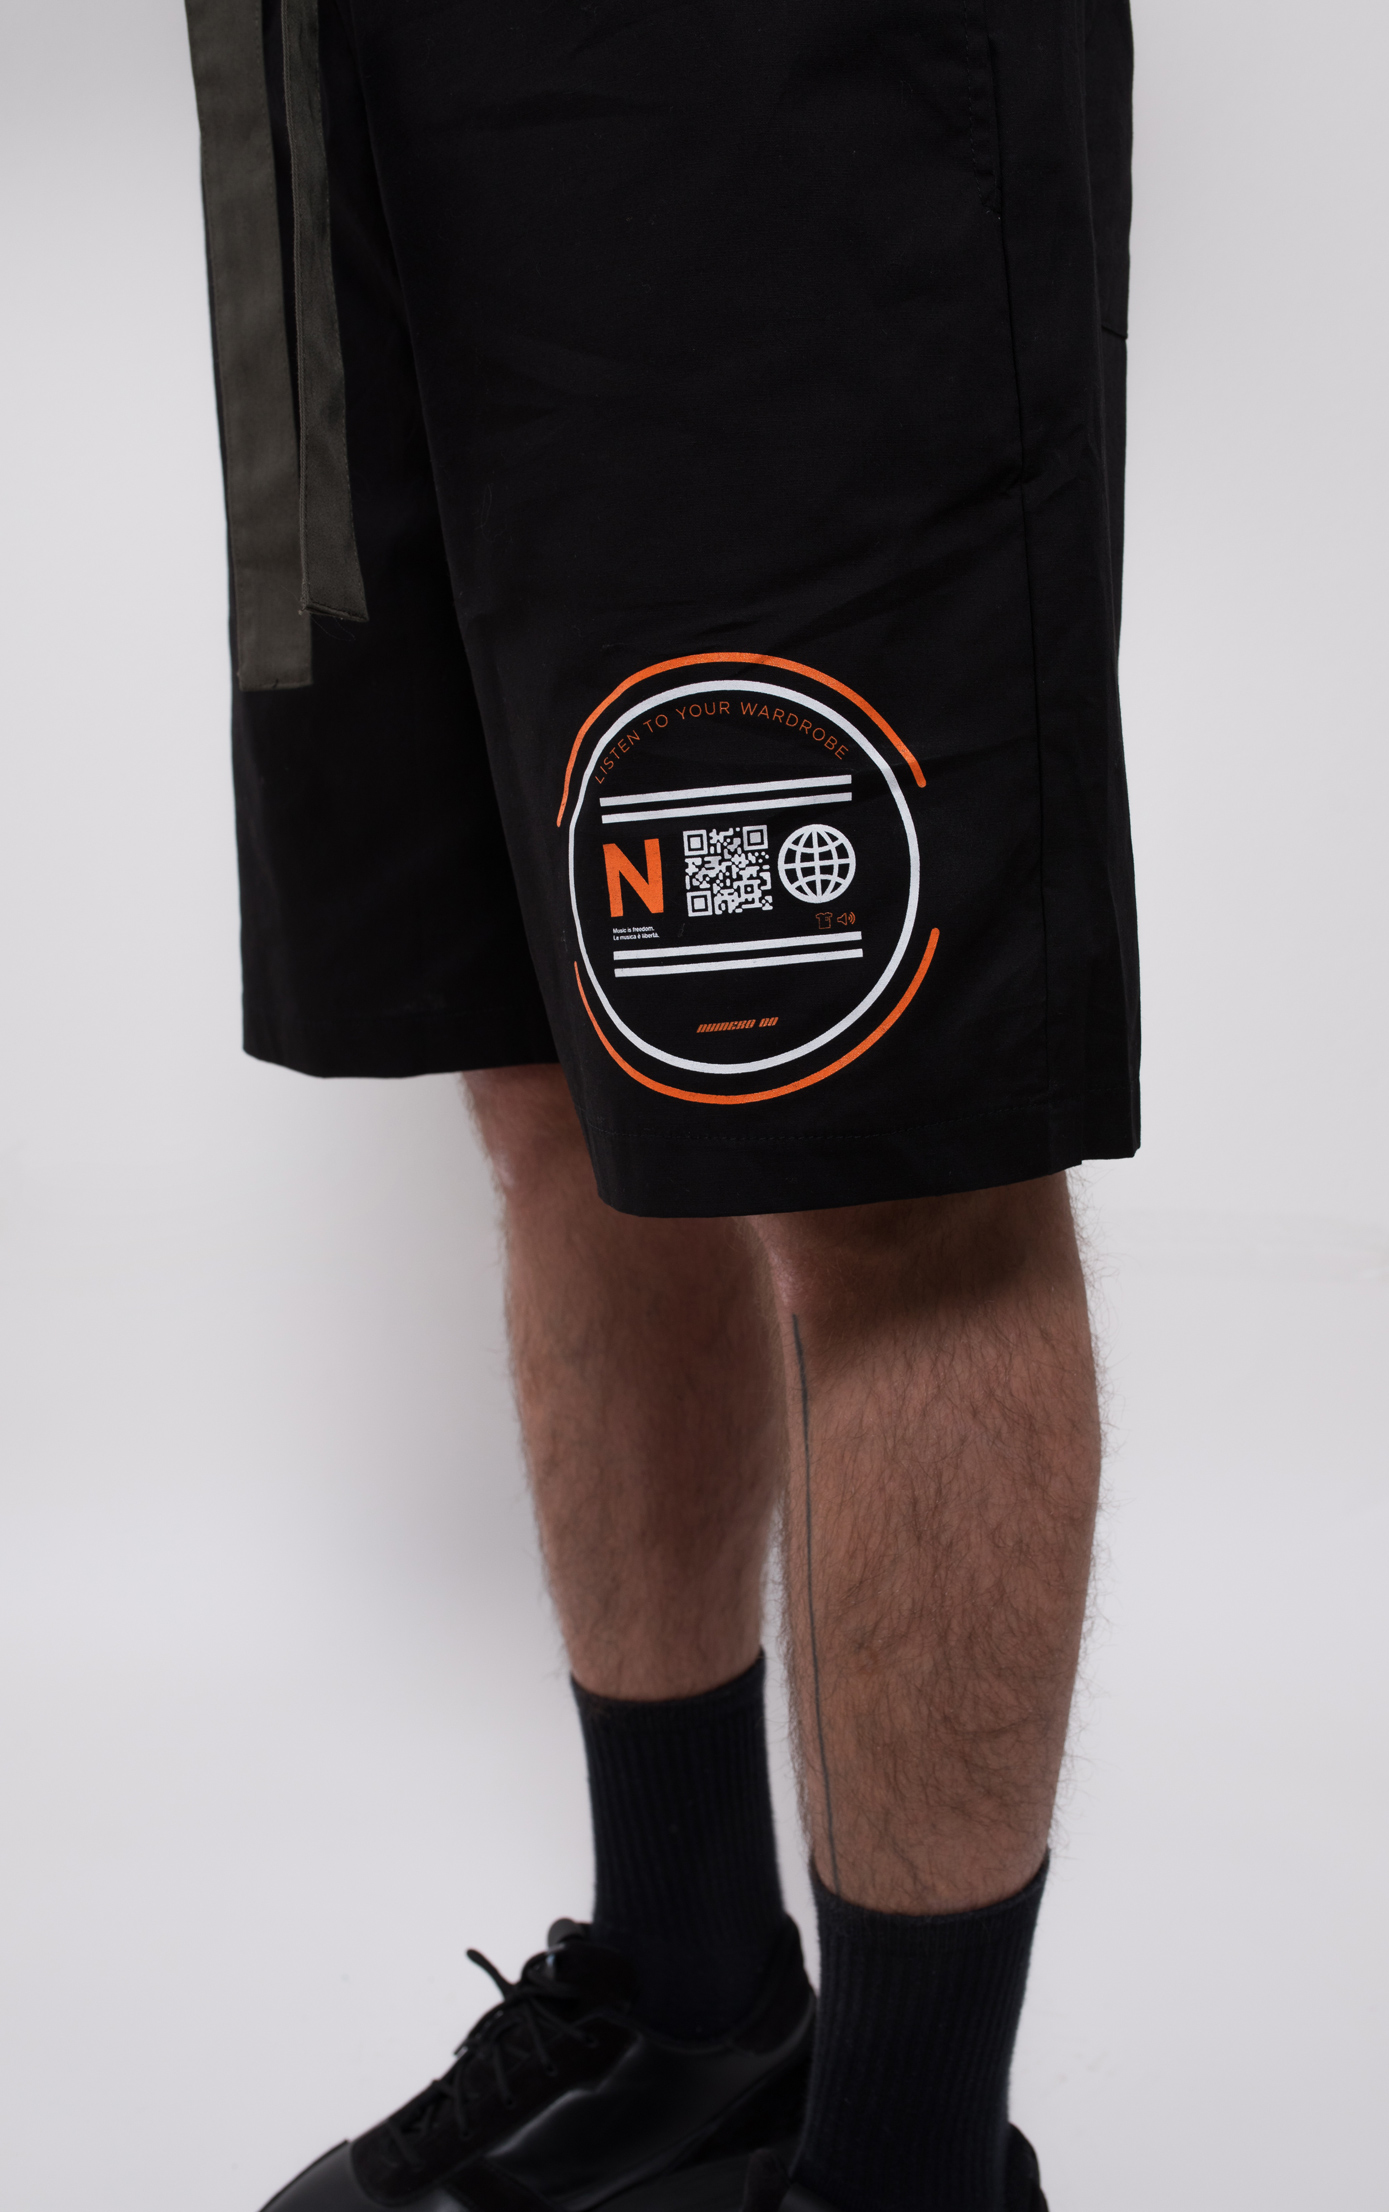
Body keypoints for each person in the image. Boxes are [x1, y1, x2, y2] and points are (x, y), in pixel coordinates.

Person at [182, 1, 1137, 2206]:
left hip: (762, 66)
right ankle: (696, 2006)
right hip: (332, 70)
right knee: (542, 1047)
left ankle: (903, 2170)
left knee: (884, 1135)